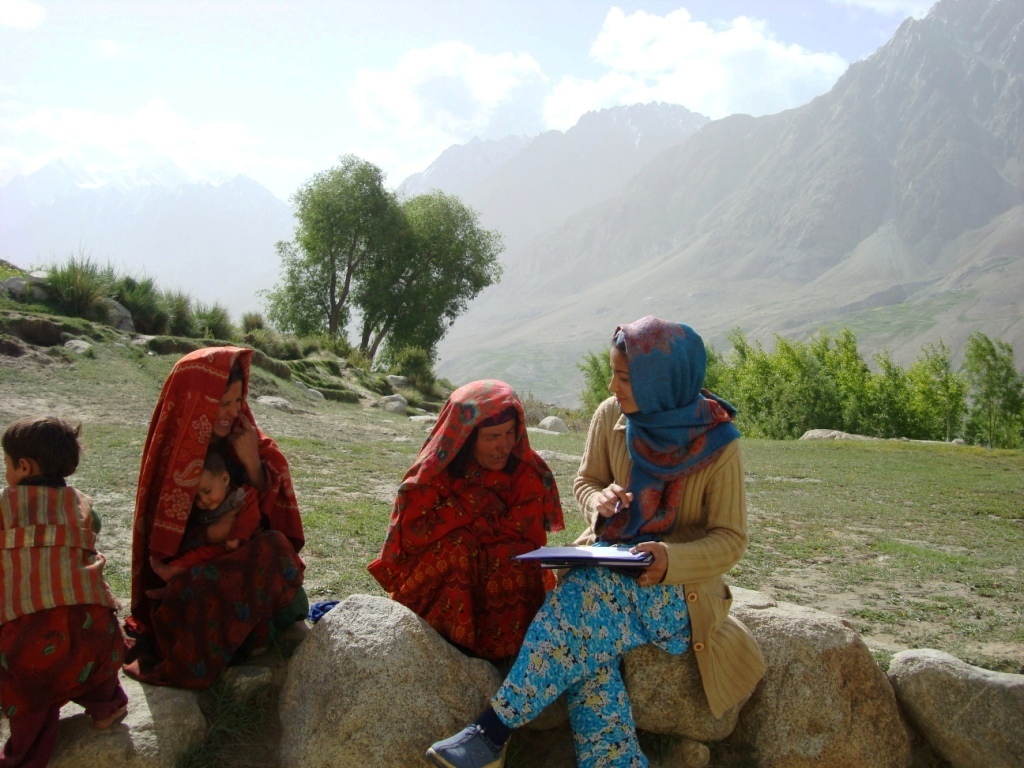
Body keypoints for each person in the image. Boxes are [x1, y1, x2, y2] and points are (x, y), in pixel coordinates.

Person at [426, 317, 766, 768]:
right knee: (589, 645)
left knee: (583, 598)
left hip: (678, 593)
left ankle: (492, 732)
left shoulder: (718, 444)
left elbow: (730, 541)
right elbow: (586, 481)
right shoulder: (611, 416)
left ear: (659, 380)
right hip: (606, 569)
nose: (612, 385)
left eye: (624, 377)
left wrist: (670, 558)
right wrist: (598, 502)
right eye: (613, 373)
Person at [124, 346, 307, 689]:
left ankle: (245, 638)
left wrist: (252, 464)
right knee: (207, 588)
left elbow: (270, 517)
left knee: (280, 558)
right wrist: (210, 537)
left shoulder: (246, 439)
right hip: (194, 572)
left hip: (240, 556)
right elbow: (165, 543)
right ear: (196, 402)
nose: (231, 412)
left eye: (238, 402)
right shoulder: (174, 453)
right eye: (221, 403)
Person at [368, 379, 564, 663]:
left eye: (510, 433)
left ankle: (507, 658)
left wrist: (481, 529)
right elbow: (411, 535)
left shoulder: (525, 469)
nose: (503, 446)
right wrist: (466, 509)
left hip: (502, 571)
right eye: (492, 437)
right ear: (466, 436)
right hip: (446, 575)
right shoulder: (434, 472)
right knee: (459, 548)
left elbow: (530, 533)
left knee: (517, 556)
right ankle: (449, 648)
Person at [1, 417, 129, 768]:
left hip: (32, 639)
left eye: (7, 465)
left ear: (24, 466)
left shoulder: (5, 505)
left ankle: (24, 756)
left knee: (30, 690)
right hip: (94, 628)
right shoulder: (85, 505)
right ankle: (108, 705)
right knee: (89, 654)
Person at [146, 451, 261, 597]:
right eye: (197, 498)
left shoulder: (241, 496)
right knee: (192, 557)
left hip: (234, 547)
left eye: (208, 491)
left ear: (225, 479)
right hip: (213, 544)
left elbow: (251, 516)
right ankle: (171, 586)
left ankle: (172, 574)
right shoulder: (206, 505)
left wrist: (236, 537)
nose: (204, 500)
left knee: (196, 558)